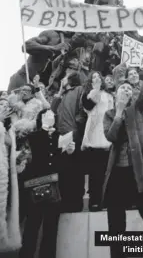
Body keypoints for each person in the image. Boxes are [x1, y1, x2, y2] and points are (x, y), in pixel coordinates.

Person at [102, 46, 143, 258]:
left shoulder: (138, 108)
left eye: (130, 89)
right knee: (116, 223)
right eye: (123, 89)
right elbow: (110, 137)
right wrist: (119, 113)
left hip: (139, 172)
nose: (127, 90)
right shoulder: (110, 114)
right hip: (117, 173)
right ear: (115, 93)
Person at [19, 109, 75, 258]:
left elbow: (64, 166)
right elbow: (27, 161)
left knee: (51, 228)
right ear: (42, 117)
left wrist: (68, 153)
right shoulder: (33, 136)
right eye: (48, 114)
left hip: (55, 187)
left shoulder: (60, 137)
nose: (52, 116)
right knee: (32, 226)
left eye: (53, 114)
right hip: (35, 186)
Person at [51, 72, 86, 212]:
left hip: (74, 134)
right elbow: (51, 111)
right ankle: (65, 202)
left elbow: (82, 111)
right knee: (63, 170)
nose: (62, 79)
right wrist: (59, 91)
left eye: (65, 77)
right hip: (60, 136)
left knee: (76, 170)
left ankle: (76, 203)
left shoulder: (79, 90)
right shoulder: (62, 94)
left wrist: (76, 128)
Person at [81, 71, 114, 211]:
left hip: (106, 134)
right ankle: (94, 201)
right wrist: (95, 90)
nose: (96, 79)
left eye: (98, 77)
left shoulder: (108, 96)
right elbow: (88, 107)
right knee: (95, 172)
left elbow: (112, 114)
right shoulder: (87, 95)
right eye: (93, 77)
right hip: (93, 136)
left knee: (107, 171)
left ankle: (106, 200)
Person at [0, 99, 21, 253]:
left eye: (7, 105)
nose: (4, 107)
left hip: (6, 173)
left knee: (5, 208)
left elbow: (9, 146)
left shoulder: (11, 128)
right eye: (1, 104)